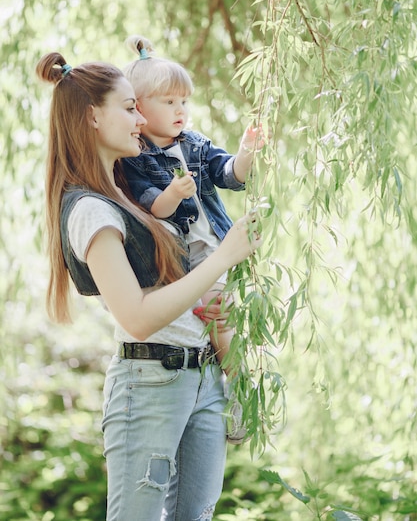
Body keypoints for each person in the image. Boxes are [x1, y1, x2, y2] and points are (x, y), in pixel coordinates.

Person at [36, 52, 262, 521]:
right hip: (151, 382)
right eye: (130, 107)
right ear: (92, 116)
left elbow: (170, 281)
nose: (142, 118)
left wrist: (207, 303)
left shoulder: (126, 192)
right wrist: (223, 256)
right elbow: (136, 316)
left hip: (201, 374)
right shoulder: (90, 209)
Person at [121, 35, 265, 442]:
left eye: (183, 101)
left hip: (219, 243)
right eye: (168, 102)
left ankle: (237, 384)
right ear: (140, 109)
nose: (180, 110)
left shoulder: (195, 143)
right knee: (221, 316)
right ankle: (238, 387)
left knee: (227, 315)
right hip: (189, 256)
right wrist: (171, 194)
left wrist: (246, 152)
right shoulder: (136, 158)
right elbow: (153, 208)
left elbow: (229, 175)